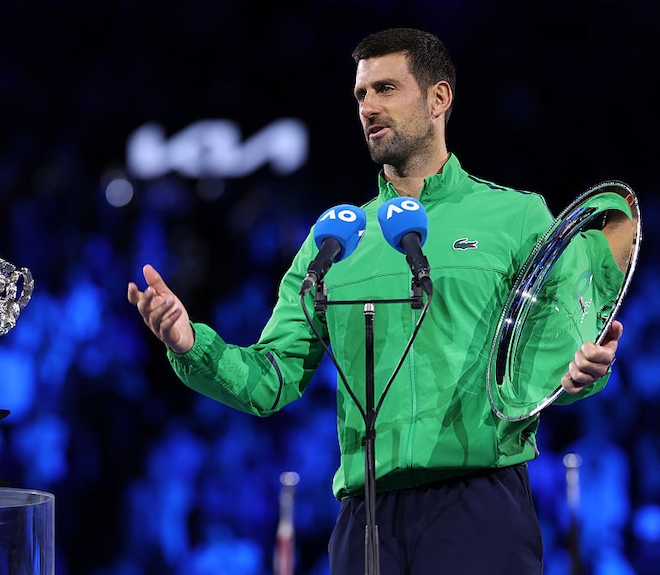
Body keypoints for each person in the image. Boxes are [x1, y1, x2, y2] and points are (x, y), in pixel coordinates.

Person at [127, 27, 624, 574]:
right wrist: (190, 341)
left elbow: (557, 351)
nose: (368, 106)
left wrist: (584, 371)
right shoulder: (335, 241)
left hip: (480, 506)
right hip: (366, 521)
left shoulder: (518, 218)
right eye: (361, 94)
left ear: (439, 99)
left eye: (386, 88)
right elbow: (270, 379)